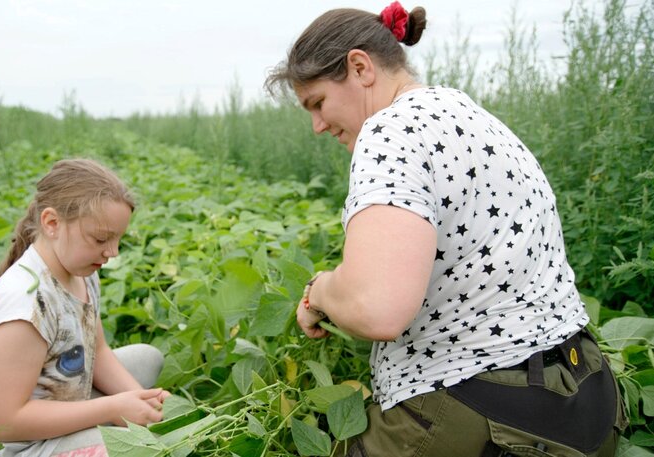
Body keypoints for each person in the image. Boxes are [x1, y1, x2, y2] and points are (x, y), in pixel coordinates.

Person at [266, 2, 626, 456]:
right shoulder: (470, 114)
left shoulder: (389, 131)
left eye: (317, 103)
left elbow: (378, 309)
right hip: (587, 401)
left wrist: (319, 292)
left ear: (360, 67)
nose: (317, 126)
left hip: (496, 421)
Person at [0, 159, 169, 457]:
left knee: (147, 359)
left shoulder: (80, 270)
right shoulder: (24, 305)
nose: (112, 252)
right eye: (101, 238)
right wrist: (111, 408)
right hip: (18, 446)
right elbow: (3, 425)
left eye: (118, 239)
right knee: (140, 450)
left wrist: (143, 402)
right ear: (52, 223)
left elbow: (98, 352)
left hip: (60, 400)